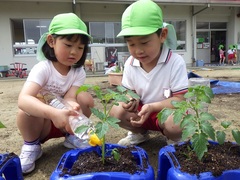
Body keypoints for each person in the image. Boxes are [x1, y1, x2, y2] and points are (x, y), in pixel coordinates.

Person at [16, 13, 94, 174]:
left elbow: (70, 97)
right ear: (52, 41)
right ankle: (32, 146)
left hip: (66, 123)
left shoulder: (78, 71)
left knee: (85, 98)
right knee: (25, 111)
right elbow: (23, 99)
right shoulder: (43, 68)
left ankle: (72, 136)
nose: (74, 52)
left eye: (80, 48)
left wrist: (73, 106)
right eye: (68, 45)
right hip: (41, 123)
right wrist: (53, 113)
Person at [109, 0, 188, 146]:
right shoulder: (130, 64)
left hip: (165, 113)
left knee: (175, 123)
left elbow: (180, 100)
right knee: (116, 111)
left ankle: (174, 138)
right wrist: (132, 99)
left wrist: (152, 107)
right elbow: (128, 92)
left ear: (162, 35)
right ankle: (139, 133)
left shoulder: (175, 62)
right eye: (131, 44)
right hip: (141, 114)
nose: (138, 50)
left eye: (144, 42)